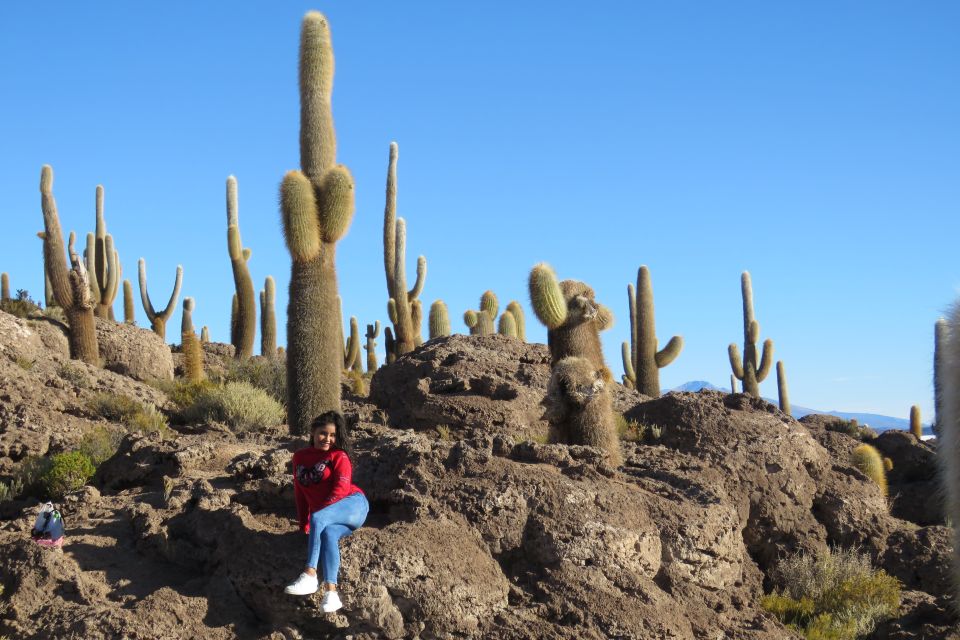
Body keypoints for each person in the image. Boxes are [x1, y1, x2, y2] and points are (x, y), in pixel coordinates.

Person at [284, 410, 369, 613]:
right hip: (331, 516)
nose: (328, 439)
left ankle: (310, 574)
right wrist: (303, 523)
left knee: (319, 517)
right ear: (313, 432)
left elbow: (340, 490)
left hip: (353, 505)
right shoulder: (300, 457)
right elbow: (300, 492)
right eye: (323, 433)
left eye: (333, 435)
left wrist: (317, 517)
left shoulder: (339, 456)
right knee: (329, 534)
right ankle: (332, 594)